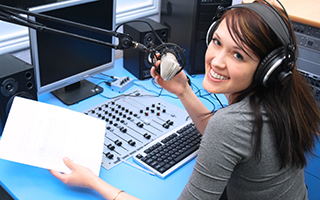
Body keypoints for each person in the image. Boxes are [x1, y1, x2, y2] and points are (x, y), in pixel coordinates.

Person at [49, 0, 320, 199]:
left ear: (267, 68)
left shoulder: (232, 123)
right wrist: (183, 91)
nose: (217, 60)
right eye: (216, 41)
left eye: (238, 55)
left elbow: (227, 131)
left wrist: (94, 182)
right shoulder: (283, 97)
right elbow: (235, 140)